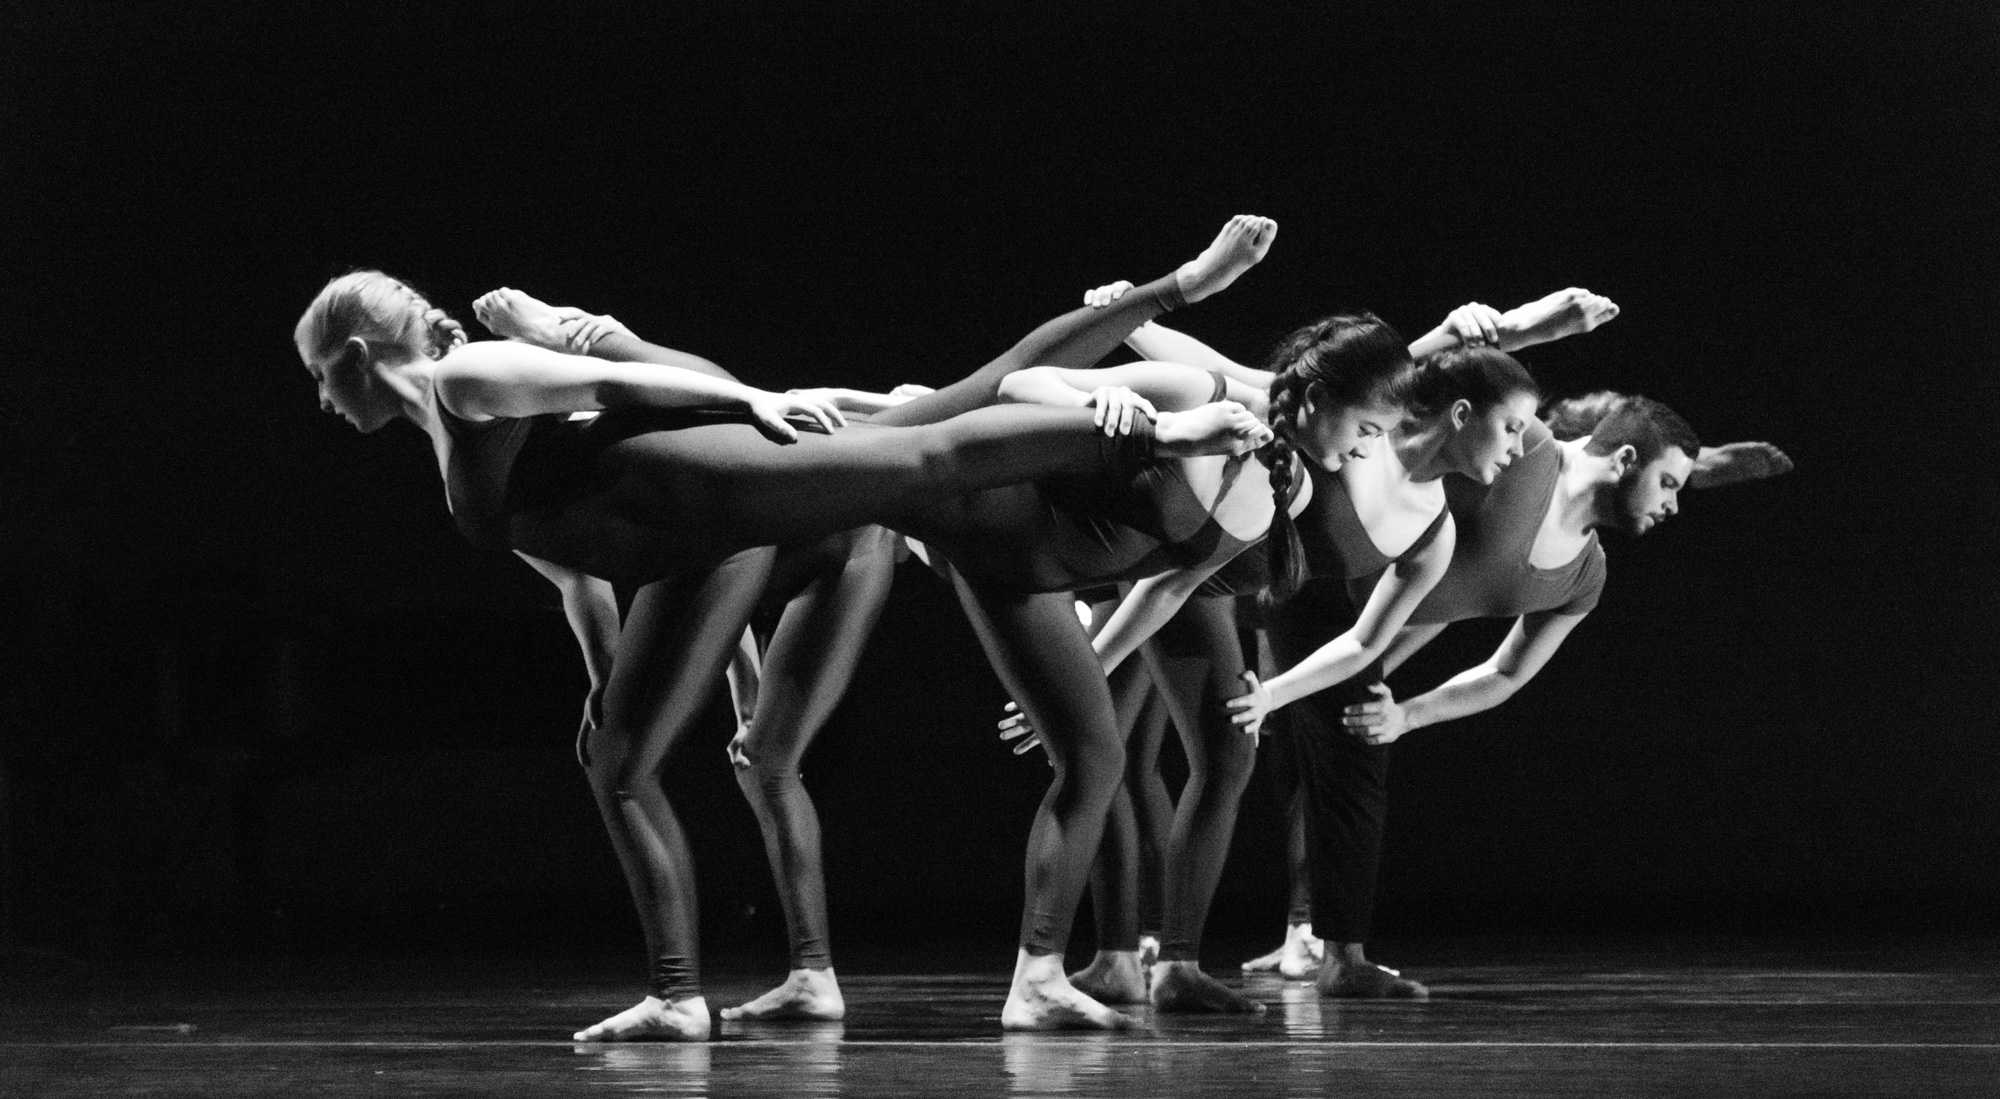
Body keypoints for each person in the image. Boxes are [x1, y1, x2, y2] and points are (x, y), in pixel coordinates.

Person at [294, 267, 1270, 1042]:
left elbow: (620, 381)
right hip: (687, 543)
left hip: (715, 492)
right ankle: (675, 999)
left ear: (352, 354)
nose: (322, 402)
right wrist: (607, 678)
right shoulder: (447, 440)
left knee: (931, 442)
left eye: (318, 376)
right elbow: (571, 573)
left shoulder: (462, 378)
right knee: (619, 764)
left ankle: (1162, 420)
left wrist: (750, 399)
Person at [998, 288, 1620, 1012]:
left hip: (1194, 586)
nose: (1521, 450)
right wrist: (1137, 319)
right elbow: (1274, 377)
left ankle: (1168, 963)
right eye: (1510, 429)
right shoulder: (1354, 436)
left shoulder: (1430, 524)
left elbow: (1364, 642)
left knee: (1208, 755)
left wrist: (1274, 693)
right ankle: (1106, 960)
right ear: (1457, 415)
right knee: (1112, 754)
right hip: (1154, 568)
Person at [1228, 385, 1709, 999]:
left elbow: (1505, 674)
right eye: (1670, 485)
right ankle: (1320, 952)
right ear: (1623, 462)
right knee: (1302, 753)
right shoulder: (1528, 452)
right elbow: (1425, 419)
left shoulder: (1585, 575)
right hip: (1316, 586)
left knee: (1325, 751)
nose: (1674, 508)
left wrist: (1407, 715)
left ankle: (1312, 940)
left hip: (1364, 641)